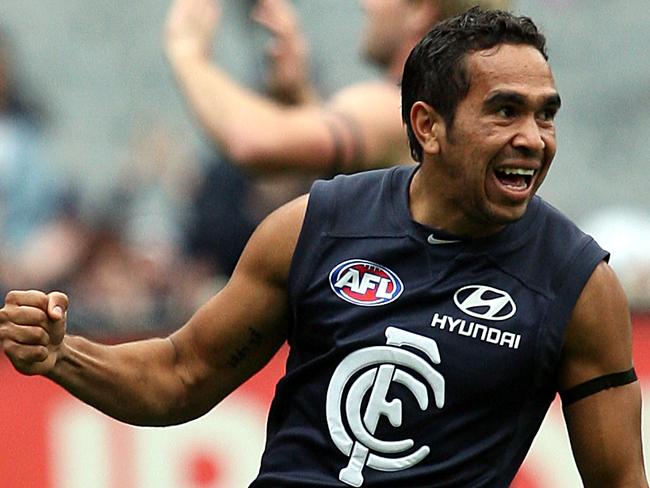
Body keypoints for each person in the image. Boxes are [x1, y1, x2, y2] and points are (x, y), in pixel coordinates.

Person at [1, 8, 647, 487]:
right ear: (428, 126)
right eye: (505, 112)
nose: (534, 137)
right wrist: (63, 355)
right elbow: (179, 376)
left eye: (546, 114)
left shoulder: (577, 284)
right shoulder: (317, 226)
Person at [164, 0, 511, 175]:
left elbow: (253, 142)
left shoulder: (402, 110)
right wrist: (299, 96)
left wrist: (188, 52)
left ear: (420, 11)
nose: (366, 4)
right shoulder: (449, 110)